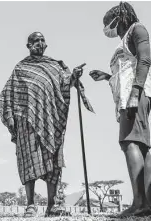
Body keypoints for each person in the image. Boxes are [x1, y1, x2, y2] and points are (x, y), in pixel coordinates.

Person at [0, 32, 94, 217]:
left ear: (46, 44)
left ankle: (52, 205)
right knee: (29, 160)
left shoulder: (54, 67)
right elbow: (9, 95)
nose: (39, 43)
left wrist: (74, 77)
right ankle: (30, 205)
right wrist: (12, 118)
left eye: (42, 40)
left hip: (50, 121)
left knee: (52, 161)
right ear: (28, 45)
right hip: (26, 121)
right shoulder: (20, 68)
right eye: (35, 41)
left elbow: (65, 84)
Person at [89, 1, 151, 217]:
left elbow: (145, 59)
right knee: (136, 143)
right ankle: (144, 202)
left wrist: (135, 92)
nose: (107, 29)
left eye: (108, 24)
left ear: (120, 18)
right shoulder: (124, 40)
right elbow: (126, 68)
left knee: (130, 142)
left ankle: (139, 203)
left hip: (136, 94)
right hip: (127, 95)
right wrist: (106, 76)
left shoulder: (137, 29)